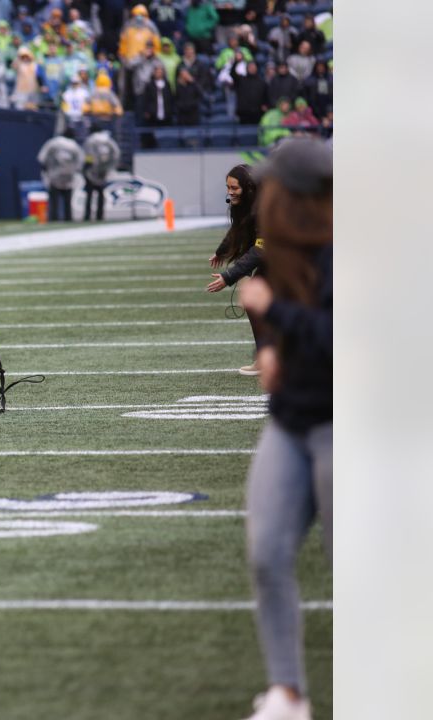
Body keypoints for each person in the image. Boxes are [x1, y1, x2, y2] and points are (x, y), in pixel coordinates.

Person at [234, 137, 332, 720]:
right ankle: (287, 692)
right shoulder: (288, 252)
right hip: (291, 422)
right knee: (268, 554)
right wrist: (273, 350)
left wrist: (276, 315)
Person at [206, 163, 265, 375]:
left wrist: (228, 276)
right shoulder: (247, 203)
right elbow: (238, 227)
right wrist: (222, 251)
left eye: (235, 188)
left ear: (249, 187)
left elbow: (261, 250)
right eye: (228, 187)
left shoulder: (265, 206)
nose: (230, 192)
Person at [37, 129, 84, 223]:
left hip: (54, 175)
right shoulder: (74, 146)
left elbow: (42, 158)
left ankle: (53, 219)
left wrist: (46, 170)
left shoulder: (53, 143)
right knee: (67, 202)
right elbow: (80, 162)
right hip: (69, 176)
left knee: (54, 201)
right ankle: (68, 219)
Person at [82, 129, 121, 222]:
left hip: (92, 171)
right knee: (101, 194)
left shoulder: (91, 140)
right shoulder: (107, 140)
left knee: (89, 195)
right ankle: (100, 215)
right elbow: (116, 153)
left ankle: (87, 216)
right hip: (103, 170)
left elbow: (88, 155)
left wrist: (87, 167)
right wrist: (109, 167)